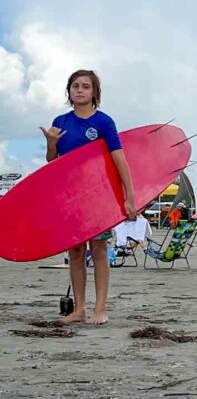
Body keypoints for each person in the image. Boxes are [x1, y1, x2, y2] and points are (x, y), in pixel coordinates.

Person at [40, 69, 136, 325]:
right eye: (75, 86)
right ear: (69, 92)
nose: (79, 90)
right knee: (75, 252)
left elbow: (119, 159)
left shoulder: (104, 122)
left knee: (99, 249)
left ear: (95, 92)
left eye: (85, 86)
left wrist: (130, 196)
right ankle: (79, 309)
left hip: (98, 197)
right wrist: (51, 143)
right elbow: (53, 162)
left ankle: (100, 309)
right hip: (70, 197)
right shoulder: (60, 121)